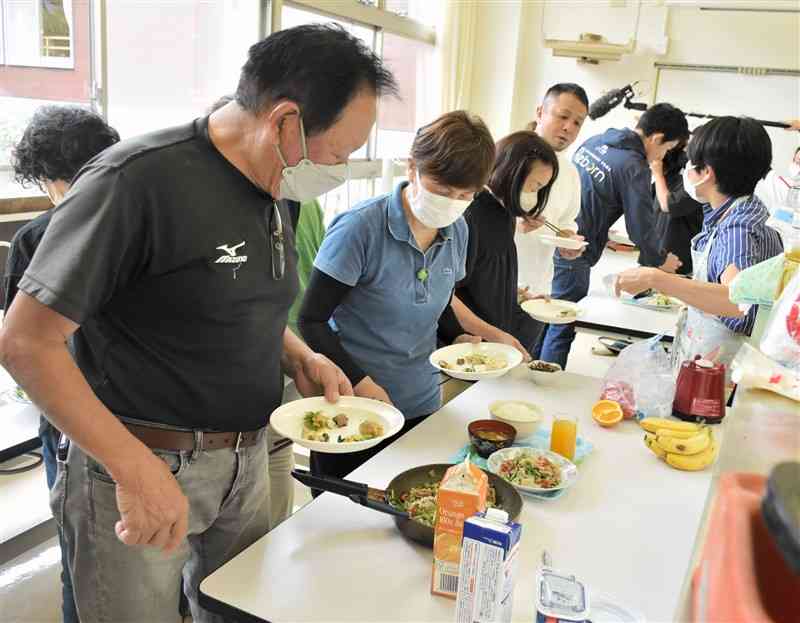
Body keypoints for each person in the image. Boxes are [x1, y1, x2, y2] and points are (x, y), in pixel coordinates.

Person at [0, 24, 396, 623]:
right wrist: (130, 466)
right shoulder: (135, 181)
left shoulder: (276, 186)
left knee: (239, 611)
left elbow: (237, 302)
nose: (339, 169)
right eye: (339, 153)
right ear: (285, 122)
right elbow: (26, 342)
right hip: (140, 465)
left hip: (248, 459)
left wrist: (299, 357)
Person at [298, 110, 494, 480]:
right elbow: (312, 320)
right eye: (441, 189)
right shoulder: (361, 228)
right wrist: (361, 381)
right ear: (412, 168)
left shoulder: (459, 229)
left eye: (464, 195)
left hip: (421, 401)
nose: (451, 202)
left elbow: (439, 302)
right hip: (355, 409)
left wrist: (460, 337)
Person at [4, 104, 119, 623]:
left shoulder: (38, 236)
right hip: (148, 410)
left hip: (74, 417)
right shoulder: (138, 219)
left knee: (82, 549)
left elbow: (21, 344)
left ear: (50, 176)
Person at [617, 116, 784, 382]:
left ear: (706, 172)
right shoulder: (740, 210)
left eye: (690, 164)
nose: (686, 171)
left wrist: (655, 278)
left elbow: (737, 300)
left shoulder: (737, 229)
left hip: (721, 374)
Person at [540, 103, 690, 368]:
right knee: (562, 323)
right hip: (574, 250)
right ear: (656, 139)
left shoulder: (596, 141)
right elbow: (640, 227)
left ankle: (531, 374)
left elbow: (585, 190)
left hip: (552, 237)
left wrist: (599, 226)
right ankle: (544, 381)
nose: (662, 156)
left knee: (543, 314)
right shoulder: (634, 166)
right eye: (666, 149)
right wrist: (660, 260)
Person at [444, 131, 559, 358]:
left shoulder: (503, 212)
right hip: (472, 344)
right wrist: (493, 334)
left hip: (496, 336)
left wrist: (517, 296)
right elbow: (444, 294)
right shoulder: (471, 215)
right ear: (512, 173)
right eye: (534, 187)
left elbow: (485, 273)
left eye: (540, 190)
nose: (534, 196)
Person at [514, 83, 589, 358]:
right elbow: (475, 215)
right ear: (540, 112)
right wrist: (516, 223)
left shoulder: (570, 173)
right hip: (497, 287)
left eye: (577, 122)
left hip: (538, 292)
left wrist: (568, 241)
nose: (569, 127)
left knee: (524, 369)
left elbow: (567, 222)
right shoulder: (508, 156)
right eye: (562, 116)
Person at [650, 142, 704, 276]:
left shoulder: (695, 185)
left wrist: (657, 173)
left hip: (677, 265)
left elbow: (669, 205)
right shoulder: (667, 178)